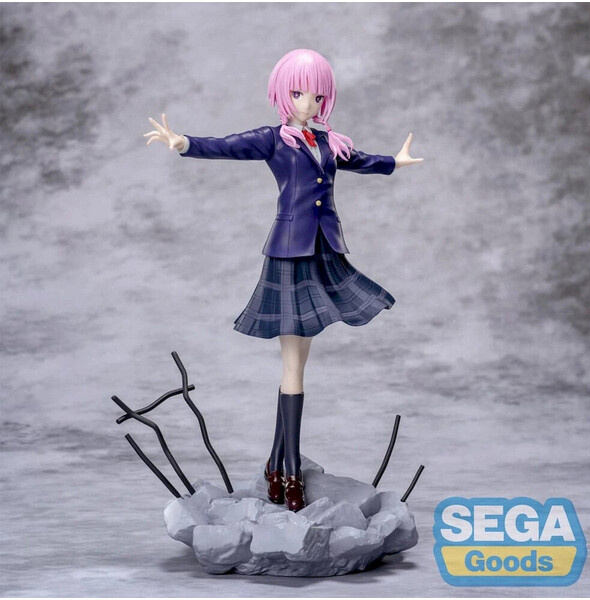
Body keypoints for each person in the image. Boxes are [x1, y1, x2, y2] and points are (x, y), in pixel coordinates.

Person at [144, 49, 423, 512]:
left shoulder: (328, 142)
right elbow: (227, 146)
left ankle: (277, 465)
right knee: (293, 367)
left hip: (324, 252)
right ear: (282, 94)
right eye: (298, 94)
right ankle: (289, 474)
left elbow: (359, 160)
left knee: (297, 364)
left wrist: (394, 162)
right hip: (290, 255)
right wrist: (183, 142)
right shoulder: (272, 139)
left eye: (317, 96)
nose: (308, 103)